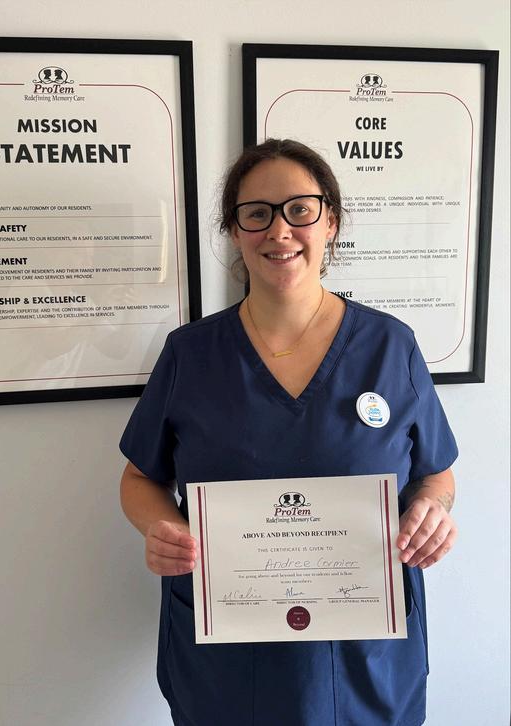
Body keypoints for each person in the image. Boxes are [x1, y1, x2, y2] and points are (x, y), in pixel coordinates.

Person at [120, 138, 458, 726]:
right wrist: (161, 527)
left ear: (331, 221)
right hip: (226, 653)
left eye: (300, 209)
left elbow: (437, 474)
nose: (279, 231)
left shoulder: (390, 346)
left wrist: (431, 512)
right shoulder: (190, 354)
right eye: (257, 213)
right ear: (234, 231)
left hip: (366, 651)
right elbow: (139, 479)